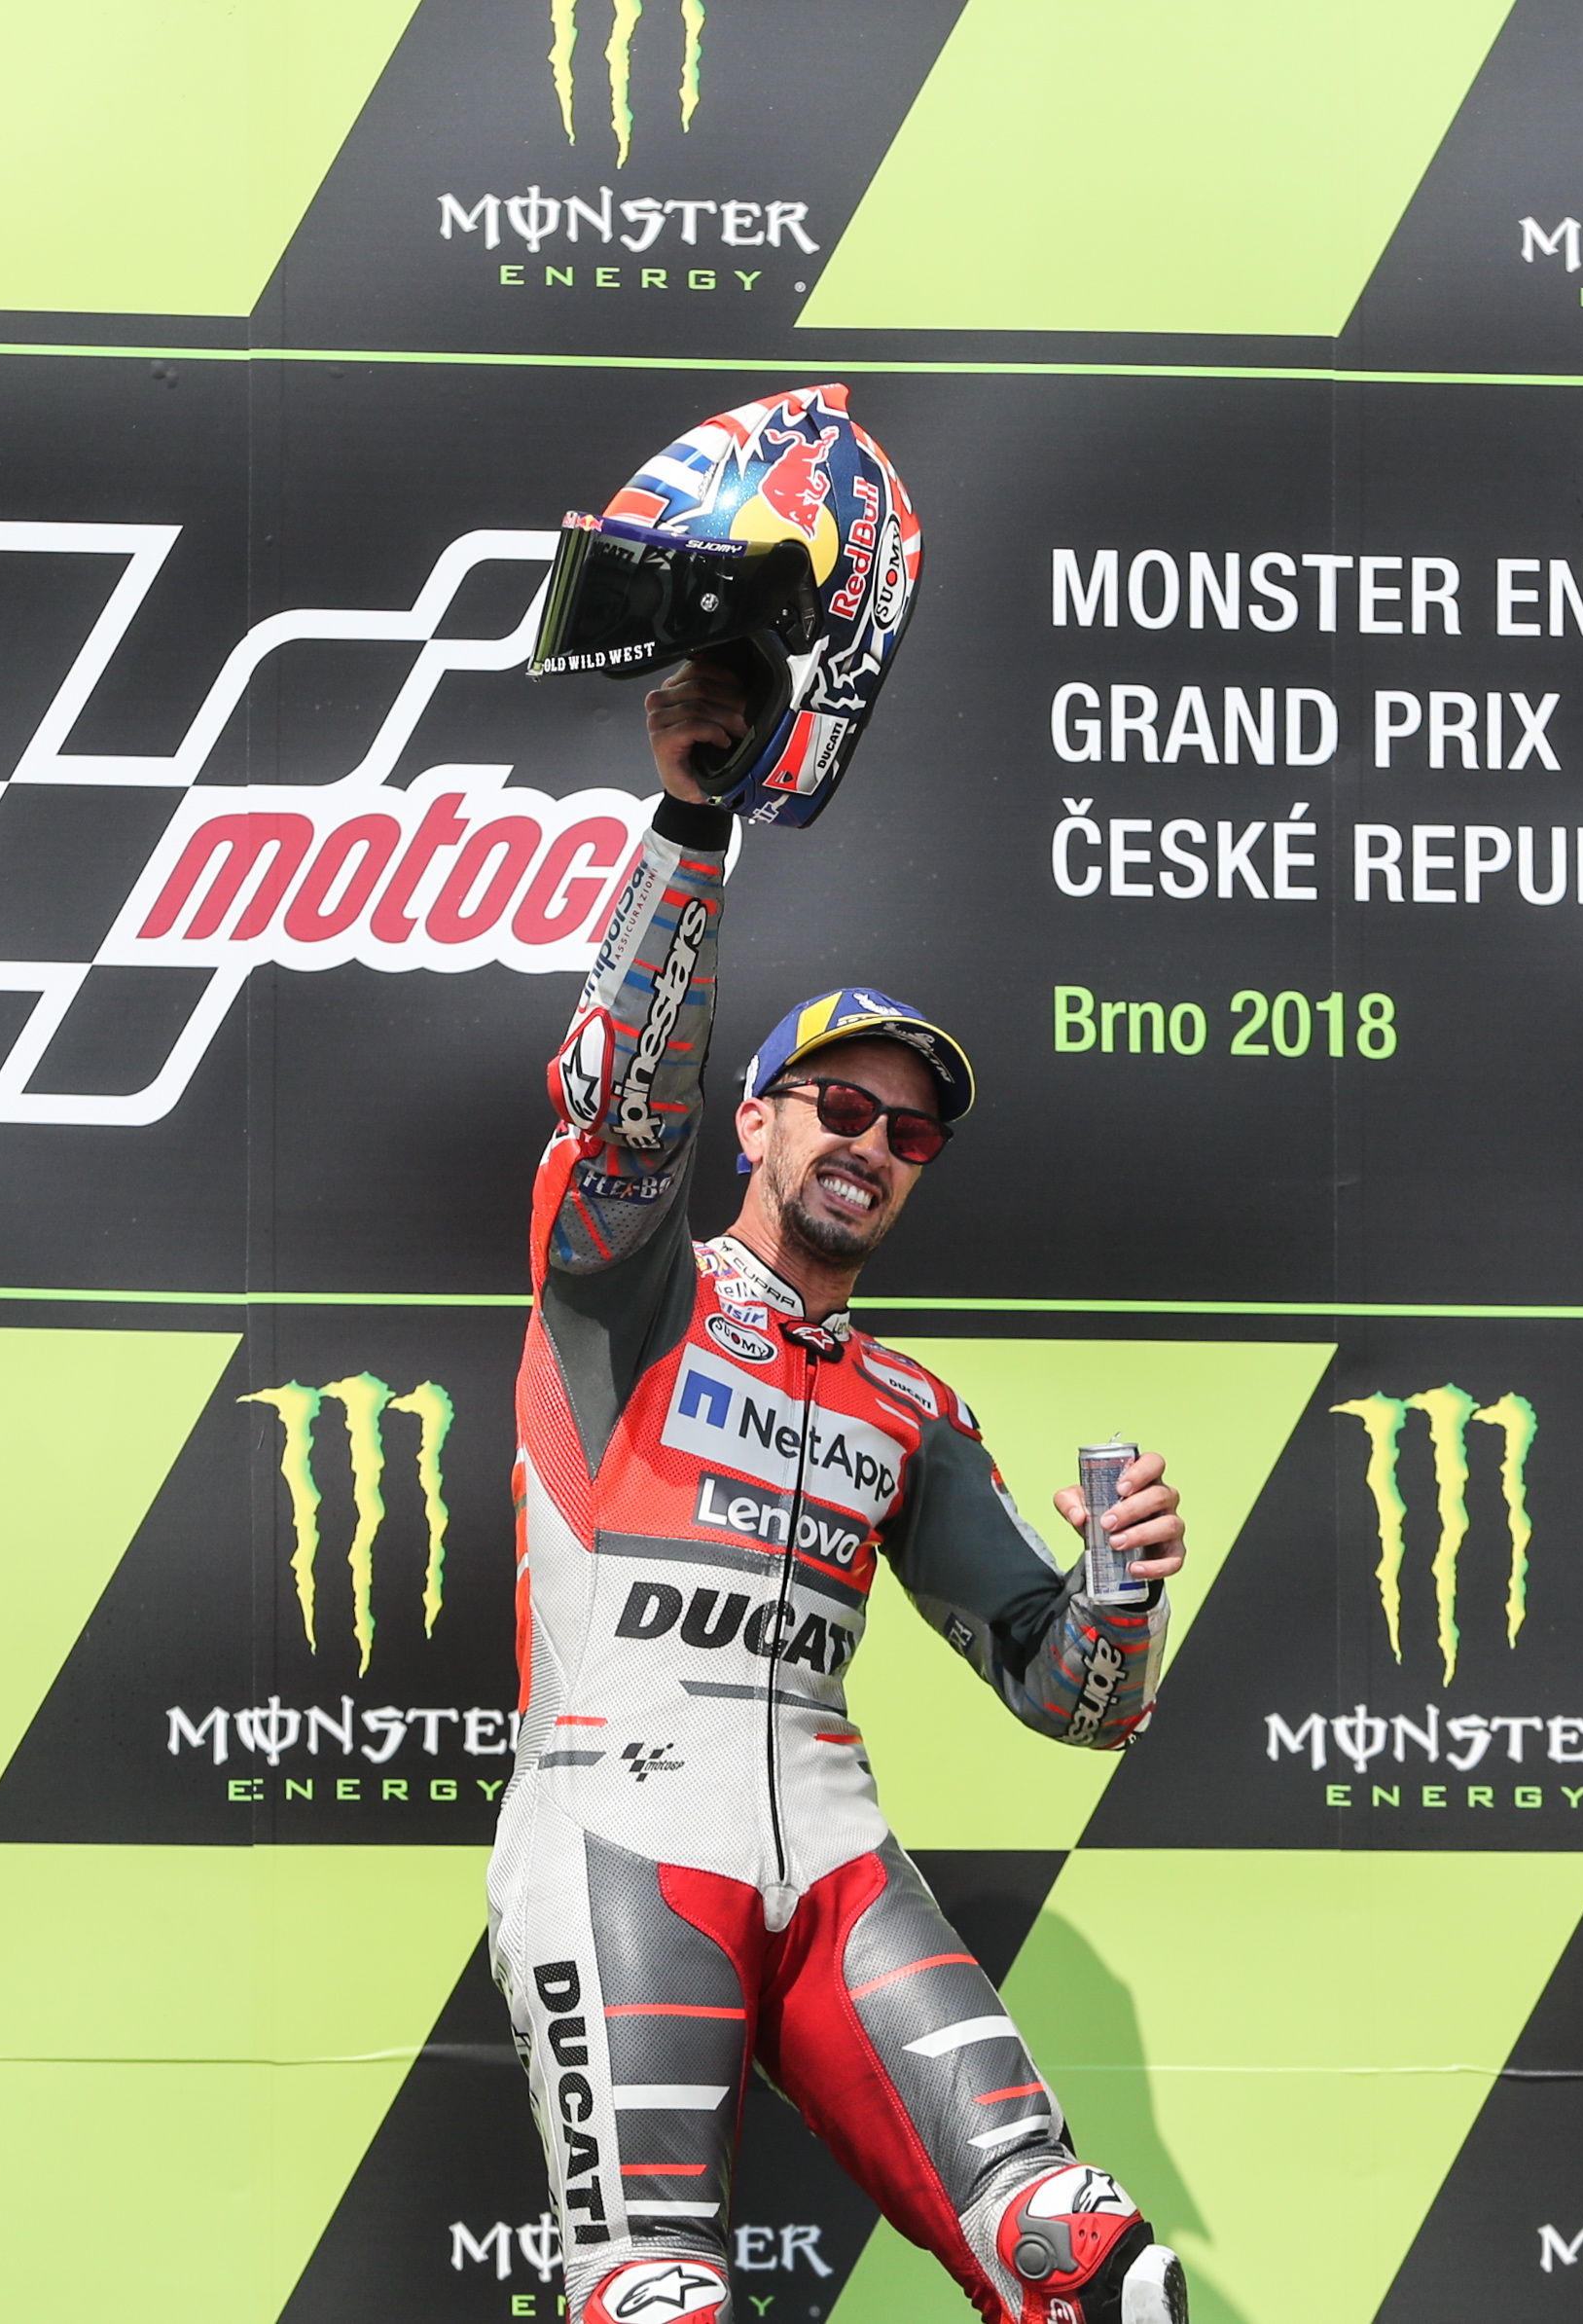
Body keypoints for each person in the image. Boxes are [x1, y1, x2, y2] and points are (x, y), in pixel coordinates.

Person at [488, 634, 1191, 2324]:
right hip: (621, 1832)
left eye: (909, 1132)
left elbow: (1073, 1698)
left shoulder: (907, 1404)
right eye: (839, 1108)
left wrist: (1120, 1589)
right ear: (757, 1123)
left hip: (834, 1851)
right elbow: (615, 1114)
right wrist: (692, 825)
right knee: (657, 2297)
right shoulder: (629, 1292)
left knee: (1084, 2256)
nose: (872, 1144)